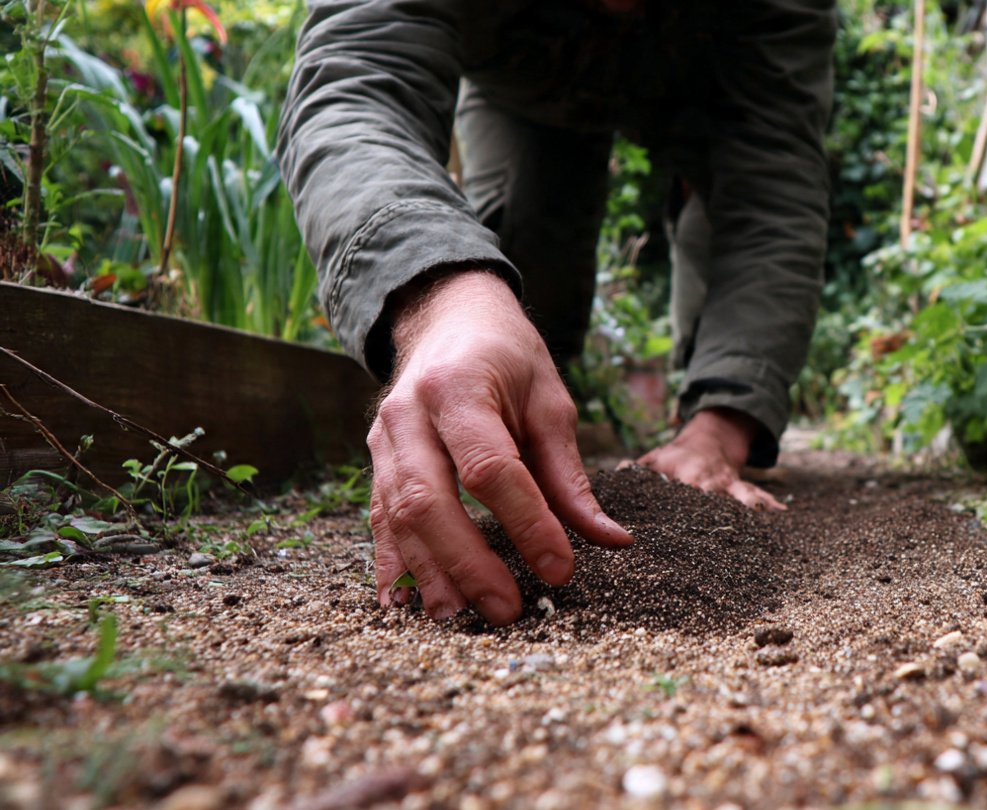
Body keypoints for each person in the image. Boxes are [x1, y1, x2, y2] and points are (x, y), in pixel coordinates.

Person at [277, 0, 835, 624]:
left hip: (708, 73)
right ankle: (523, 442)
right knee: (532, 251)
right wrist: (442, 291)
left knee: (726, 235)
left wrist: (724, 424)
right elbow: (356, 91)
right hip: (522, 77)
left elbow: (774, 190)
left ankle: (705, 422)